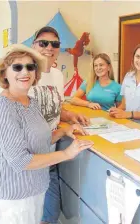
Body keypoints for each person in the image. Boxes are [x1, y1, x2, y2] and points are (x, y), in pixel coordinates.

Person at [0, 44, 94, 224]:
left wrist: (63, 131)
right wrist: (66, 154)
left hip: (35, 189)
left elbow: (37, 141)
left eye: (30, 66)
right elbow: (20, 160)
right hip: (13, 197)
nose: (24, 72)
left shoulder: (31, 102)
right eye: (17, 67)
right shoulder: (2, 108)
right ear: (4, 74)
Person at [29, 26, 90, 224]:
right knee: (28, 211)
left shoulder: (57, 76)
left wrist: (71, 115)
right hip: (28, 157)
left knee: (50, 214)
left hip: (50, 154)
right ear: (33, 45)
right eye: (43, 43)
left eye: (54, 44)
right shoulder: (25, 74)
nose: (49, 47)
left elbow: (56, 106)